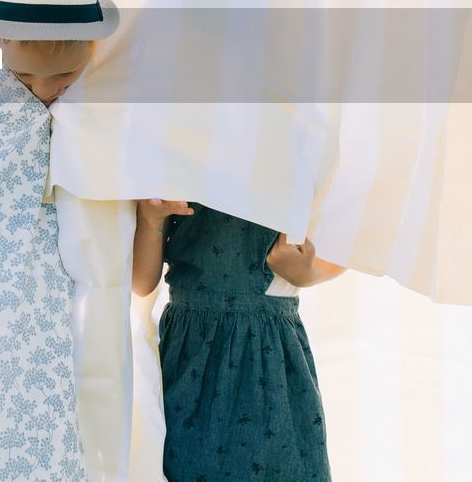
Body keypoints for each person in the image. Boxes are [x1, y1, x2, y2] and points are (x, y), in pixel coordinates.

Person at [0, 0, 135, 481]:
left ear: (89, 51)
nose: (43, 91)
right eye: (22, 77)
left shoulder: (106, 104)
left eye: (62, 76)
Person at [132, 197, 344, 481]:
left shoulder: (299, 153)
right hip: (190, 358)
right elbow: (141, 282)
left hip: (269, 354)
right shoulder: (177, 153)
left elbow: (362, 235)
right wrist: (151, 218)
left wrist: (313, 271)